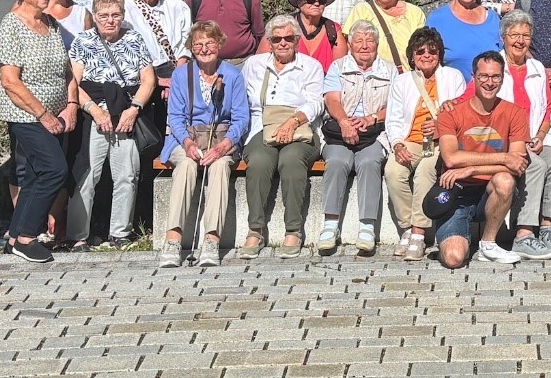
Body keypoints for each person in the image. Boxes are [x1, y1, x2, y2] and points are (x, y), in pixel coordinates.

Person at [0, 0, 79, 265]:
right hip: (27, 115)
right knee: (54, 170)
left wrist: (71, 105)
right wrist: (43, 114)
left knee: (34, 175)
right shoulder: (11, 26)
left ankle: (16, 236)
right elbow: (10, 81)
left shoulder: (51, 24)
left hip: (56, 115)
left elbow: (67, 71)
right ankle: (28, 237)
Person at [67, 0, 156, 251]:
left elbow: (148, 80)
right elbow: (73, 83)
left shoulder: (134, 39)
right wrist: (94, 110)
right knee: (87, 175)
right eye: (104, 15)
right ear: (94, 17)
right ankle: (77, 235)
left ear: (122, 16)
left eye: (115, 15)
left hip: (126, 113)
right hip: (93, 114)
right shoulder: (83, 40)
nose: (110, 20)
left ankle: (120, 232)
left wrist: (134, 109)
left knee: (127, 175)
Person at [158, 21, 249, 269]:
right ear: (191, 47)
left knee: (219, 167)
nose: (205, 49)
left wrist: (223, 147)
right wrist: (188, 143)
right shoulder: (181, 74)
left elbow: (241, 118)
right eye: (198, 44)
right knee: (186, 166)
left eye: (210, 43)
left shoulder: (233, 75)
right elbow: (175, 117)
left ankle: (211, 239)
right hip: (185, 137)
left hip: (222, 139)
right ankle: (173, 239)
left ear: (219, 44)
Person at [239, 14, 325, 260]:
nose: (283, 43)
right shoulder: (254, 64)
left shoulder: (310, 66)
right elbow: (241, 98)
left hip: (302, 128)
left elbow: (316, 102)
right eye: (277, 39)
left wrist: (293, 121)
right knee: (259, 160)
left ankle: (293, 230)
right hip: (261, 126)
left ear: (297, 40)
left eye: (289, 38)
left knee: (291, 160)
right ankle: (255, 229)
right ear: (269, 42)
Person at [432, 51, 530, 267]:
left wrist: (471, 169)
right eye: (483, 76)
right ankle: (455, 238)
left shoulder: (515, 113)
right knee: (454, 259)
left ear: (502, 79)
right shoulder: (450, 112)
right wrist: (503, 157)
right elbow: (451, 159)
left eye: (495, 76)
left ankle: (488, 244)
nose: (489, 82)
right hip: (456, 192)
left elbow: (517, 164)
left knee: (505, 180)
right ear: (473, 77)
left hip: (489, 190)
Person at [383, 27, 466, 261]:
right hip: (410, 139)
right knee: (393, 171)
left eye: (432, 51)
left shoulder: (453, 77)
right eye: (420, 51)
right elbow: (393, 119)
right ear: (412, 56)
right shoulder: (402, 81)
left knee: (425, 171)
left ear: (439, 53)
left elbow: (460, 114)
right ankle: (407, 227)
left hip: (441, 141)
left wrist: (440, 126)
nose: (426, 55)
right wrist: (397, 145)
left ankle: (419, 233)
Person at [317, 21, 394, 256]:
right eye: (358, 41)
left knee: (369, 161)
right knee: (337, 161)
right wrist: (344, 122)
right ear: (350, 45)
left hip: (374, 131)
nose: (364, 46)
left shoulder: (389, 70)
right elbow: (331, 99)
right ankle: (330, 225)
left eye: (369, 41)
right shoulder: (338, 67)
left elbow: (395, 106)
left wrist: (372, 118)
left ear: (377, 45)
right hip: (339, 130)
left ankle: (367, 226)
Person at [498, 11, 551, 260]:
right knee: (536, 165)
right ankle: (524, 233)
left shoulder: (537, 67)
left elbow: (548, 107)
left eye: (526, 36)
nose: (520, 41)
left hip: (534, 138)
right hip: (506, 142)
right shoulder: (495, 65)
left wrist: (540, 134)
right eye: (514, 35)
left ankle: (548, 227)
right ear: (504, 38)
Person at [124, 0, 190, 173]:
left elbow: (186, 46)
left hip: (176, 72)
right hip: (143, 75)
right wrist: (157, 81)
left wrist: (175, 81)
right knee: (147, 135)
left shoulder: (177, 6)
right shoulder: (126, 9)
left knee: (175, 129)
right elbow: (126, 50)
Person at [338, 0, 424, 70]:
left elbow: (422, 45)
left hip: (408, 75)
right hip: (374, 75)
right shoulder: (362, 10)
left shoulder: (414, 12)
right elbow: (349, 44)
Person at [426, 0, 502, 75]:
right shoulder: (437, 19)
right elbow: (427, 59)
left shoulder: (493, 19)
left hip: (489, 84)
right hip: (451, 85)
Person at [285, 0, 346, 71]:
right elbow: (264, 62)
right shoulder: (282, 27)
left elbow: (339, 70)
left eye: (322, 0)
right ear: (299, 2)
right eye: (310, 0)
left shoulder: (333, 30)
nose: (317, 4)